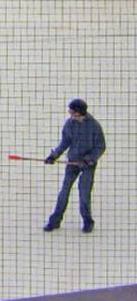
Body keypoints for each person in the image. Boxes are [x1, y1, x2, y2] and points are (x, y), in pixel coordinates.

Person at [43, 98, 106, 233]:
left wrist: (88, 159)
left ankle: (88, 222)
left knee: (84, 194)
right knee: (64, 192)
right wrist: (54, 155)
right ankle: (55, 221)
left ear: (79, 112)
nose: (70, 114)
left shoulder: (94, 126)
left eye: (72, 111)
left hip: (88, 166)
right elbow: (65, 142)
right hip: (72, 163)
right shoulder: (69, 124)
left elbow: (100, 146)